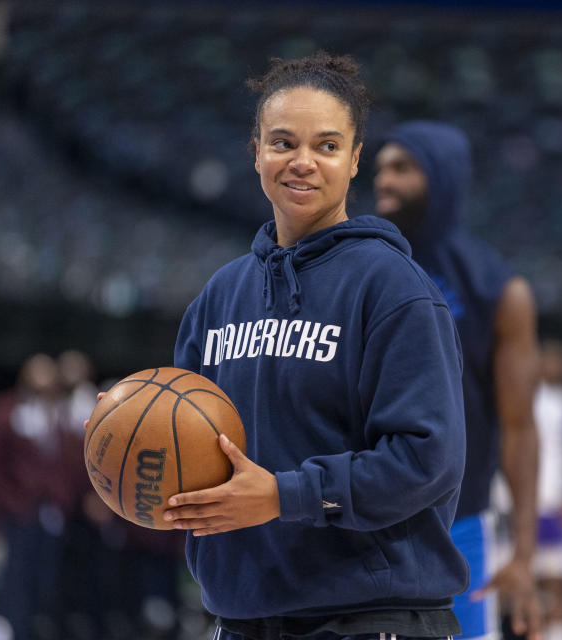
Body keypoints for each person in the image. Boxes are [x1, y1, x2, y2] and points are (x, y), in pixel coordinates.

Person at [160, 53, 468, 640]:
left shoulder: (394, 288)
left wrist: (282, 496)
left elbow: (427, 460)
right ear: (255, 153)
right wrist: (132, 431)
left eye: (326, 146)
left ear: (354, 161)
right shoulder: (219, 297)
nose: (302, 162)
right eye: (282, 142)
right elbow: (190, 451)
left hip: (372, 618)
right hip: (242, 619)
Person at [373, 120, 542, 640]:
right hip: (358, 517)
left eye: (402, 168)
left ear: (442, 177)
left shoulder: (498, 289)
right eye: (380, 168)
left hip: (459, 523)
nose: (383, 180)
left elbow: (519, 426)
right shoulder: (354, 263)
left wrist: (525, 554)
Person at [0, 353, 76, 640]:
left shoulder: (60, 417)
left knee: (44, 587)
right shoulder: (4, 410)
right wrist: (9, 501)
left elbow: (67, 465)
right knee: (12, 584)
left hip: (49, 517)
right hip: (12, 515)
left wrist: (60, 500)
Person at [532, 340, 562, 640]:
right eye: (552, 359)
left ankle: (560, 633)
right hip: (524, 501)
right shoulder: (528, 396)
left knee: (557, 577)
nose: (559, 366)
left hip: (554, 499)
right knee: (527, 578)